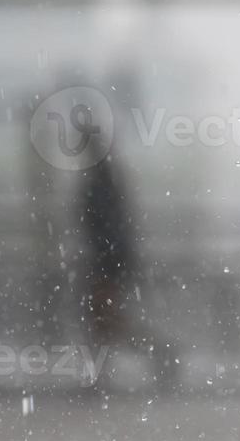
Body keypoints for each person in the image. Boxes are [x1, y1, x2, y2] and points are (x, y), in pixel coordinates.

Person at [77, 153, 179, 389]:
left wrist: (104, 261)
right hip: (110, 261)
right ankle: (154, 352)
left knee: (106, 320)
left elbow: (102, 226)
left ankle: (103, 372)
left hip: (107, 262)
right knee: (106, 320)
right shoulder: (107, 182)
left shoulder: (98, 185)